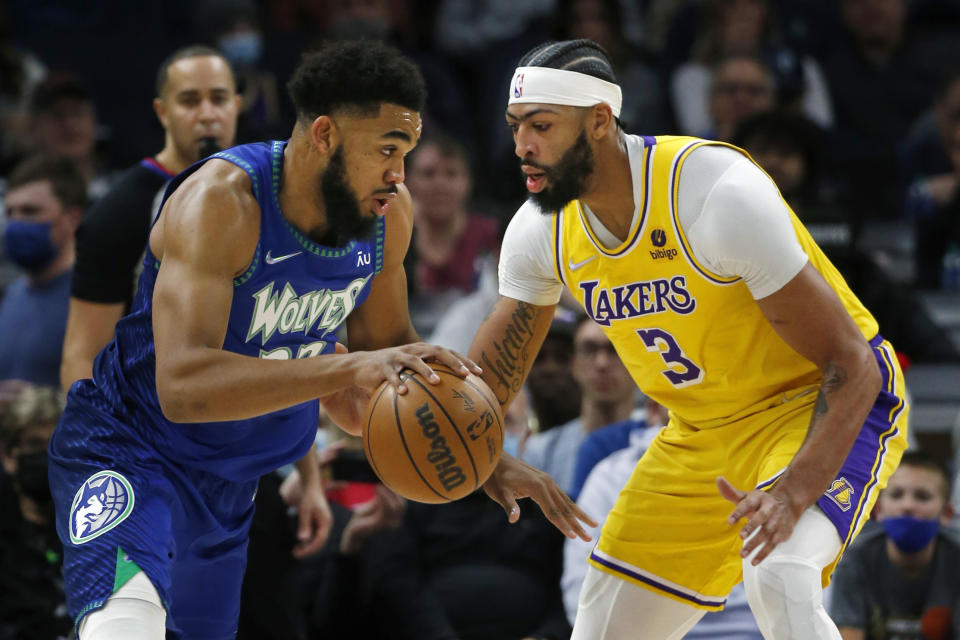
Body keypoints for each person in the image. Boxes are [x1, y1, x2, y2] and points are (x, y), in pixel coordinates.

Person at [47, 40, 590, 640]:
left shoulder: (388, 216)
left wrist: (481, 458)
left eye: (406, 152)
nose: (399, 175)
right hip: (131, 449)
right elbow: (182, 387)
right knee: (126, 627)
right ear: (326, 135)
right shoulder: (223, 203)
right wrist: (345, 369)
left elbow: (391, 385)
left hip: (231, 481)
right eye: (386, 150)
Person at [468, 38, 909, 639]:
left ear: (599, 121)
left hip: (816, 407)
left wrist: (792, 492)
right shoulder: (539, 229)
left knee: (779, 575)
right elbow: (482, 390)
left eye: (541, 125)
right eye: (516, 126)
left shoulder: (713, 191)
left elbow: (850, 365)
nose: (522, 145)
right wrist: (478, 450)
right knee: (601, 631)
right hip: (701, 433)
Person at [60, 45, 241, 391]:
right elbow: (83, 353)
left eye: (218, 99)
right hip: (150, 413)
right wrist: (93, 440)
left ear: (236, 105)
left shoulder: (265, 190)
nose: (207, 114)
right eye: (189, 101)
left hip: (246, 411)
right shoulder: (117, 214)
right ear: (162, 111)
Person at [829, 451, 960, 639]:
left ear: (946, 513)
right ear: (878, 509)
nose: (907, 506)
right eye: (897, 495)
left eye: (922, 496)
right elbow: (848, 634)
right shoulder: (855, 561)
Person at [522, 315, 641, 494]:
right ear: (574, 365)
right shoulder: (542, 451)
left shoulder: (657, 440)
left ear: (638, 362)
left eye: (615, 349)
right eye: (589, 349)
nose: (602, 363)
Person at [0, 156, 86, 386]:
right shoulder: (13, 295)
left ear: (72, 218)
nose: (16, 223)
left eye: (30, 211)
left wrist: (41, 406)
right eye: (10, 213)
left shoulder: (93, 297)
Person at [0, 382, 73, 640]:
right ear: (8, 455)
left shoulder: (93, 525)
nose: (46, 457)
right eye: (34, 445)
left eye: (55, 445)